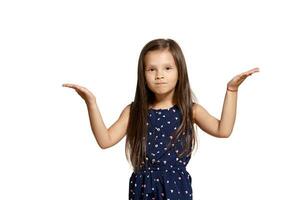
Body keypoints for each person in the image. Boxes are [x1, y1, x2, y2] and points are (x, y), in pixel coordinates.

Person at [62, 38, 259, 200]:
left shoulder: (190, 110)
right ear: (143, 73)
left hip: (176, 187)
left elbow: (222, 130)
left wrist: (232, 90)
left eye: (167, 68)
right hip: (142, 186)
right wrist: (91, 103)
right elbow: (105, 141)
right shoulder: (134, 111)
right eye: (151, 69)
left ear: (180, 71)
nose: (159, 76)